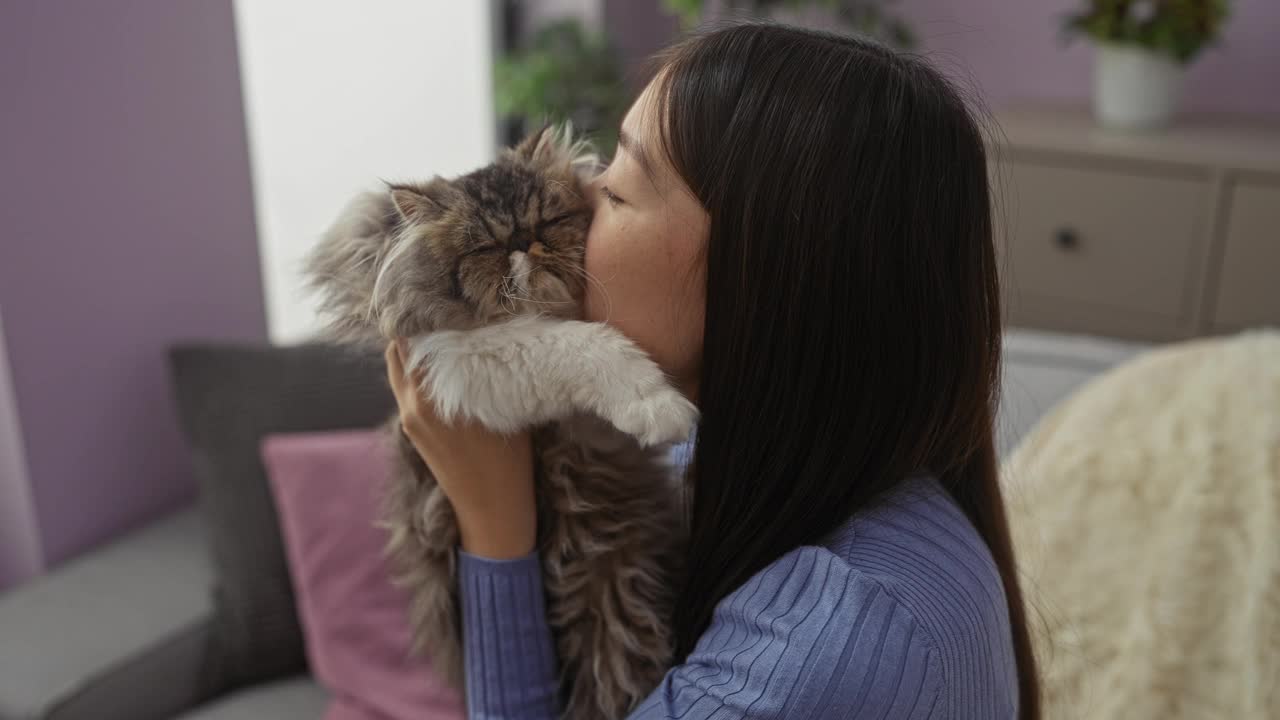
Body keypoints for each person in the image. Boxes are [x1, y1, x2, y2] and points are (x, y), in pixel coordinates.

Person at [384, 21, 1040, 720]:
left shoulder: (830, 642)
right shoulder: (740, 452)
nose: (574, 194)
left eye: (619, 190)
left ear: (763, 273)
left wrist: (493, 525)